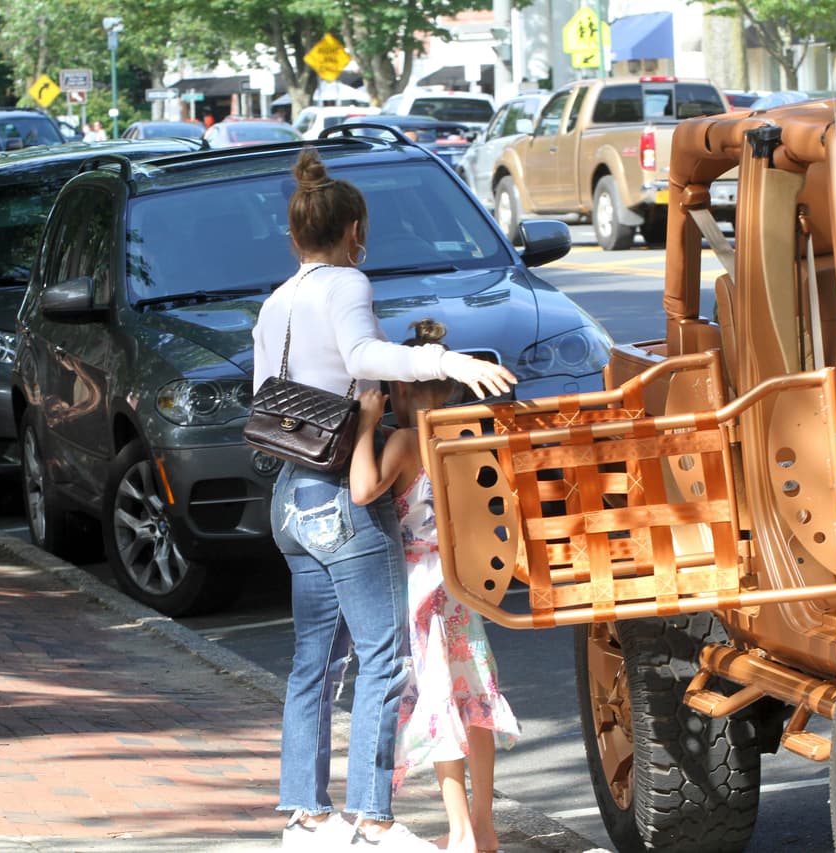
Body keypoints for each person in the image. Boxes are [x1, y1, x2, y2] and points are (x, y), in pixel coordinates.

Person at [254, 147, 517, 852]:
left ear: (294, 236)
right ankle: (372, 819)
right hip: (342, 500)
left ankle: (307, 814)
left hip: (289, 498)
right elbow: (367, 359)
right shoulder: (346, 285)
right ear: (354, 231)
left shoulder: (275, 303)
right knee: (385, 656)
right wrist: (448, 362)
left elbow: (264, 398)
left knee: (315, 661)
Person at [348, 319, 521, 853]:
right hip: (463, 579)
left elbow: (361, 491)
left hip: (420, 586)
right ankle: (484, 822)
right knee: (475, 698)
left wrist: (363, 425)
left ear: (400, 390)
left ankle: (462, 831)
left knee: (441, 701)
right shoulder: (465, 436)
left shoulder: (403, 441)